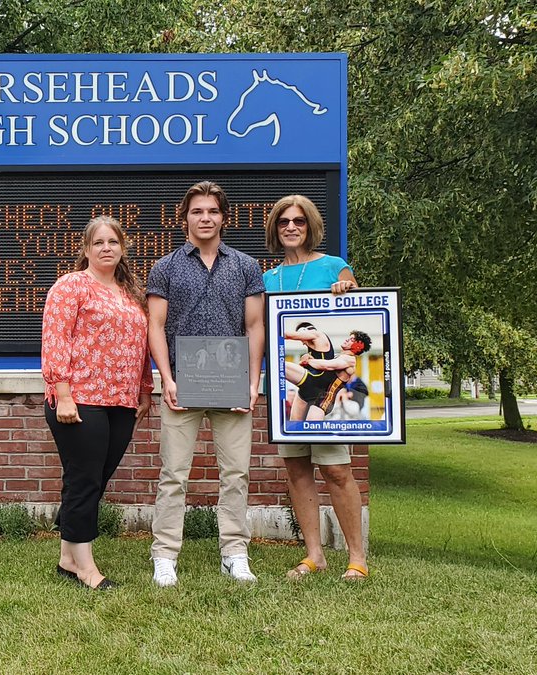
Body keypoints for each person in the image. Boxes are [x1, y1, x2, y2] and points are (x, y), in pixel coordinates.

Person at [146, 181, 265, 587]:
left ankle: (234, 553)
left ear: (224, 218)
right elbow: (155, 326)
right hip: (183, 387)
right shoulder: (165, 267)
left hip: (232, 388)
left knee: (236, 474)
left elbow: (254, 326)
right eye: (197, 211)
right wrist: (167, 379)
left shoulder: (247, 266)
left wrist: (252, 382)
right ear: (185, 218)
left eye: (213, 211)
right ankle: (164, 556)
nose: (205, 218)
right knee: (173, 475)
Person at [42, 215, 153, 590]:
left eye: (113, 242)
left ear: (123, 248)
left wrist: (144, 389)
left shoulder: (131, 293)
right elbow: (55, 339)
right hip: (79, 399)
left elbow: (141, 347)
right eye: (98, 243)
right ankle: (86, 568)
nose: (106, 248)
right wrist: (64, 394)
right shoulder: (71, 285)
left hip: (120, 401)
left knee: (93, 479)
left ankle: (66, 558)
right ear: (86, 250)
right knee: (85, 479)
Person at [263, 193, 368, 581]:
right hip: (289, 386)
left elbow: (357, 297)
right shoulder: (267, 279)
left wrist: (347, 290)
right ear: (276, 228)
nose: (291, 227)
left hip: (324, 387)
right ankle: (314, 555)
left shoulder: (334, 267)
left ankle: (357, 557)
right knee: (296, 469)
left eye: (299, 221)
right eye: (284, 221)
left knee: (336, 469)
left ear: (311, 226)